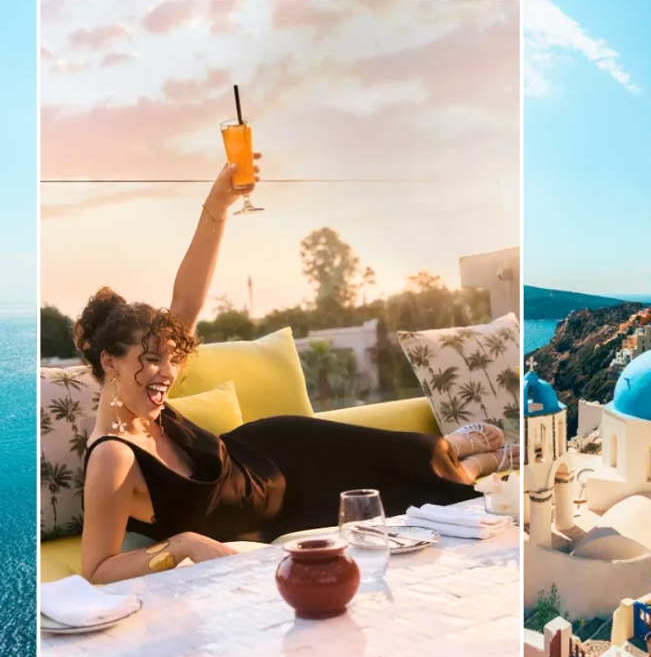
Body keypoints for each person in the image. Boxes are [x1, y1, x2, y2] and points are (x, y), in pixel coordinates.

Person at [78, 158, 509, 583]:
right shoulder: (113, 456)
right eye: (152, 359)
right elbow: (96, 569)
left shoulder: (147, 399)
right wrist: (183, 545)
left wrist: (219, 202)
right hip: (285, 511)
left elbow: (187, 301)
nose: (168, 372)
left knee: (410, 453)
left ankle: (455, 444)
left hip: (275, 451)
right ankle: (472, 462)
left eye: (172, 357)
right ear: (110, 362)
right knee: (403, 496)